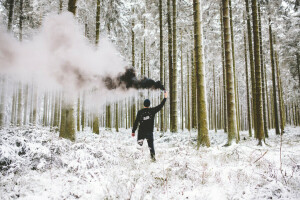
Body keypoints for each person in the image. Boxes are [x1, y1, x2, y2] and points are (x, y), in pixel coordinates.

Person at [132, 91, 168, 161]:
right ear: (149, 104)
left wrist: (133, 131)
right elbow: (161, 105)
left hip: (141, 132)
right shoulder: (152, 110)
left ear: (144, 104)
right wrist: (165, 97)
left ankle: (137, 160)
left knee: (139, 146)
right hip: (149, 133)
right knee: (151, 147)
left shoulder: (140, 112)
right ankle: (153, 159)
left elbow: (136, 122)